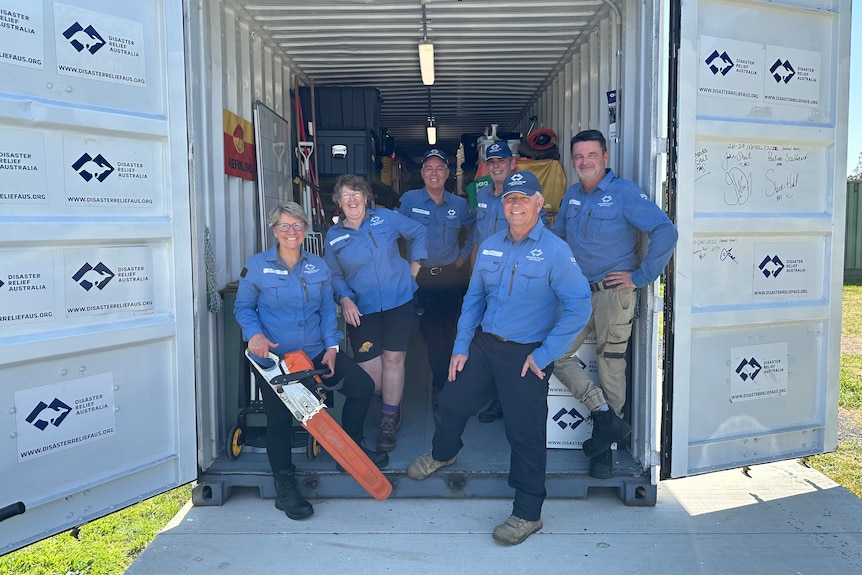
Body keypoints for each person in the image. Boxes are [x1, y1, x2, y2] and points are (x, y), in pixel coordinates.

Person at [406, 171, 592, 546]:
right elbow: (473, 299)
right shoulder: (490, 245)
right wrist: (461, 346)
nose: (516, 204)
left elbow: (579, 308)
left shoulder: (555, 251)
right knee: (451, 400)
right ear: (502, 205)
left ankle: (527, 513)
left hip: (527, 355)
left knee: (524, 436)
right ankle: (444, 453)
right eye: (510, 198)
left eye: (524, 198)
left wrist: (545, 354)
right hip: (484, 346)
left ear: (540, 203)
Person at [234, 201, 389, 521]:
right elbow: (244, 308)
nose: (291, 232)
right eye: (284, 226)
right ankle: (285, 486)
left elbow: (324, 310)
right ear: (274, 230)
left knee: (363, 386)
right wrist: (254, 334)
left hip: (317, 353)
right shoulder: (257, 266)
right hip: (277, 361)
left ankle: (351, 448)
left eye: (297, 226)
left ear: (305, 230)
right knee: (278, 422)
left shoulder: (318, 266)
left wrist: (333, 346)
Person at [552, 129, 678, 479]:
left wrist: (641, 277)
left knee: (611, 366)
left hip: (613, 295)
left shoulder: (624, 193)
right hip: (577, 294)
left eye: (591, 155)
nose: (584, 162)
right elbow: (559, 239)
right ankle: (605, 417)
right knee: (554, 353)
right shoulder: (572, 195)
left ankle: (603, 453)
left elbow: (665, 231)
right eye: (578, 157)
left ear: (605, 157)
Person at [324, 174, 427, 452]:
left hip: (399, 301)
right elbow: (333, 274)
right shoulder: (333, 237)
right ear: (339, 202)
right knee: (373, 379)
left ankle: (389, 418)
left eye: (357, 193)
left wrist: (415, 267)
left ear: (367, 197)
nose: (352, 199)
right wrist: (344, 298)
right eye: (346, 195)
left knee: (394, 361)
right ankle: (392, 398)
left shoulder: (386, 218)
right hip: (362, 309)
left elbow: (418, 231)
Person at [397, 149, 475, 410]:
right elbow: (393, 231)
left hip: (450, 277)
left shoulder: (459, 205)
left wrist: (463, 258)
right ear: (422, 174)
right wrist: (403, 265)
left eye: (439, 168)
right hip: (421, 279)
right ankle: (441, 386)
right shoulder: (409, 200)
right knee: (432, 337)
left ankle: (447, 381)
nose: (434, 173)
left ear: (447, 174)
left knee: (449, 333)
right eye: (428, 168)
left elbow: (475, 228)